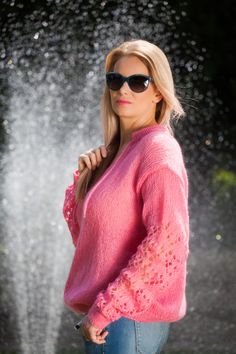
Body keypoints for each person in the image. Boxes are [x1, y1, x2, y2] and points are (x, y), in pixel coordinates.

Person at [62, 39, 190, 354]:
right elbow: (89, 241)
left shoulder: (157, 150)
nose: (124, 89)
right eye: (116, 80)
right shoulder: (118, 153)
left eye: (138, 82)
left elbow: (167, 243)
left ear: (158, 91)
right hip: (110, 321)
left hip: (125, 322)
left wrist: (106, 309)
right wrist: (85, 179)